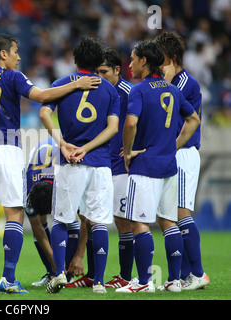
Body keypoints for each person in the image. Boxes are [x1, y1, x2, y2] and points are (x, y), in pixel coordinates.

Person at [0, 33, 101, 294]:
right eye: (15, 51)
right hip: (7, 148)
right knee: (14, 213)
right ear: (3, 54)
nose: (19, 57)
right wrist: (76, 85)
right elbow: (42, 96)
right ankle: (8, 278)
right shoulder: (13, 77)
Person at [116, 40, 200, 293]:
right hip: (169, 165)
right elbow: (194, 119)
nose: (129, 64)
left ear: (144, 61)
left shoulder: (138, 90)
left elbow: (130, 124)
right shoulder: (173, 90)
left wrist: (129, 152)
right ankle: (174, 281)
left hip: (146, 165)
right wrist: (173, 145)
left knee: (139, 223)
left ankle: (143, 282)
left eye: (132, 59)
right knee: (168, 221)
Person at [40, 36, 120, 294]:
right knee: (98, 222)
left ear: (74, 60)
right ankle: (98, 283)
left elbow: (43, 113)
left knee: (62, 220)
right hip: (100, 163)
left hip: (70, 162)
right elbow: (113, 127)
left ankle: (60, 273)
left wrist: (63, 143)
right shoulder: (109, 89)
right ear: (98, 62)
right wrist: (88, 148)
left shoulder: (61, 84)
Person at [155, 31, 210, 290]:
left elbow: (177, 115)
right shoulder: (171, 80)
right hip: (172, 153)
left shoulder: (185, 82)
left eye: (161, 58)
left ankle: (198, 273)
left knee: (181, 212)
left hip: (184, 152)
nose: (157, 63)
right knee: (172, 215)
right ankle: (186, 275)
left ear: (172, 57)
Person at [97, 47, 134, 289]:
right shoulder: (97, 90)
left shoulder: (129, 92)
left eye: (104, 71)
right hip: (101, 162)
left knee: (123, 221)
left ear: (117, 70)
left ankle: (127, 277)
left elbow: (139, 121)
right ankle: (93, 273)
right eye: (96, 71)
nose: (99, 76)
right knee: (94, 219)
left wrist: (136, 148)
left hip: (122, 165)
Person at [25, 136, 81, 287]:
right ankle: (53, 273)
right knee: (40, 225)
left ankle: (69, 275)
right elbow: (37, 228)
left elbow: (78, 219)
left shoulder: (64, 181)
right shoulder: (29, 189)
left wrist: (78, 256)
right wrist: (55, 264)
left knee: (70, 217)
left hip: (67, 156)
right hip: (41, 161)